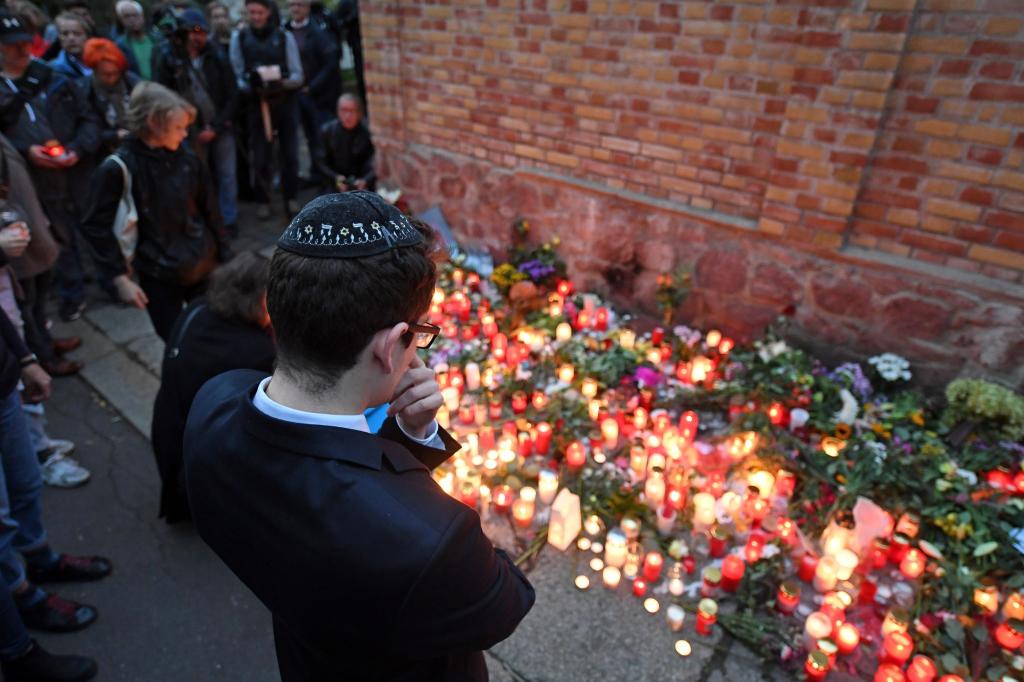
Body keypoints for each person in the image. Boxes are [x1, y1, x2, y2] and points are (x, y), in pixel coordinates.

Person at [184, 192, 535, 682]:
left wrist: (414, 434)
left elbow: (335, 480)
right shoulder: (431, 542)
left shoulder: (212, 405)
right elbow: (507, 600)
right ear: (392, 346)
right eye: (419, 333)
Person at [80, 82, 230, 341]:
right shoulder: (118, 169)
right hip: (158, 273)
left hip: (202, 264)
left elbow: (210, 210)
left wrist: (226, 257)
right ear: (153, 122)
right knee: (176, 341)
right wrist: (118, 276)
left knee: (210, 336)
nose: (185, 134)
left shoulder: (187, 159)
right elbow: (95, 225)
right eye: (178, 127)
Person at [0, 306, 112, 637]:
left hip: (3, 387)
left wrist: (24, 360)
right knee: (0, 515)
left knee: (26, 482)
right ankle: (22, 596)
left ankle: (39, 559)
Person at [152, 251, 273, 523]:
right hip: (205, 447)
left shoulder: (196, 309)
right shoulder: (254, 351)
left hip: (168, 423)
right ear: (256, 300)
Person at [0, 10, 100, 326]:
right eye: (12, 44)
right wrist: (26, 151)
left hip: (75, 172)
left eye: (25, 42)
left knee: (90, 225)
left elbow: (89, 119)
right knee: (56, 236)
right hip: (33, 183)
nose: (21, 49)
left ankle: (106, 280)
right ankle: (70, 295)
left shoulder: (54, 78)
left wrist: (76, 149)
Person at [155, 9, 239, 235]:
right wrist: (192, 129)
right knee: (198, 176)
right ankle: (206, 220)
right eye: (191, 31)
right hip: (188, 132)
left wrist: (219, 125)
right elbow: (165, 97)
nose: (196, 36)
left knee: (227, 174)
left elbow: (232, 92)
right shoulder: (170, 59)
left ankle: (229, 219)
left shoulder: (217, 55)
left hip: (220, 126)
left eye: (201, 31)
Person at [229, 0, 303, 219]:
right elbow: (238, 73)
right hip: (256, 105)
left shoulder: (283, 37)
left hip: (284, 103)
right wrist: (251, 85)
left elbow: (298, 75)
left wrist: (280, 82)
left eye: (260, 12)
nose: (256, 17)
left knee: (289, 154)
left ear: (268, 12)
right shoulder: (240, 38)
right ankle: (263, 198)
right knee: (260, 155)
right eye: (251, 12)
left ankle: (291, 196)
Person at [283, 0, 339, 180]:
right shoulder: (285, 31)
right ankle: (313, 174)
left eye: (299, 4)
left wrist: (311, 87)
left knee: (321, 136)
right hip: (294, 94)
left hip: (318, 95)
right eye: (292, 5)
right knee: (305, 135)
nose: (295, 9)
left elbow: (330, 63)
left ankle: (327, 176)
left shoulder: (319, 31)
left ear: (307, 7)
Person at [80, 38, 139, 158]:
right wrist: (114, 135)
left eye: (116, 73)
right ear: (95, 70)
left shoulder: (132, 83)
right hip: (107, 152)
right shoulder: (85, 91)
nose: (112, 78)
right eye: (106, 74)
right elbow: (87, 131)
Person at [315, 93, 375, 192]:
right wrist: (335, 178)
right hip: (335, 184)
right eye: (344, 110)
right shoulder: (327, 131)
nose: (348, 115)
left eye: (352, 111)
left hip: (362, 184)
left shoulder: (368, 132)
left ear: (359, 113)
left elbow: (376, 163)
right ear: (338, 112)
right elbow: (321, 162)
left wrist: (365, 180)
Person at [113, 1, 157, 81]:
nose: (132, 20)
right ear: (121, 21)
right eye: (127, 16)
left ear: (142, 17)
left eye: (135, 15)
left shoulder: (156, 39)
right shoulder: (120, 46)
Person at [47, 12, 91, 80]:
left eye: (77, 33)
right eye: (65, 34)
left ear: (87, 36)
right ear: (59, 38)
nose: (71, 38)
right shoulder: (52, 69)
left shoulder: (102, 61)